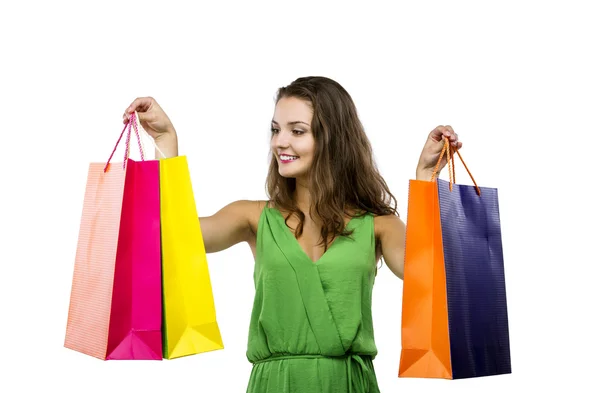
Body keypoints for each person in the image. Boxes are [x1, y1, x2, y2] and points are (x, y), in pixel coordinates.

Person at [123, 76, 460, 393]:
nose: (279, 142)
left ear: (333, 140)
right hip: (275, 384)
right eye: (275, 129)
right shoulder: (253, 217)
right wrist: (166, 141)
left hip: (349, 384)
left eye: (297, 131)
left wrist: (427, 177)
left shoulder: (379, 224)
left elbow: (427, 274)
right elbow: (172, 235)